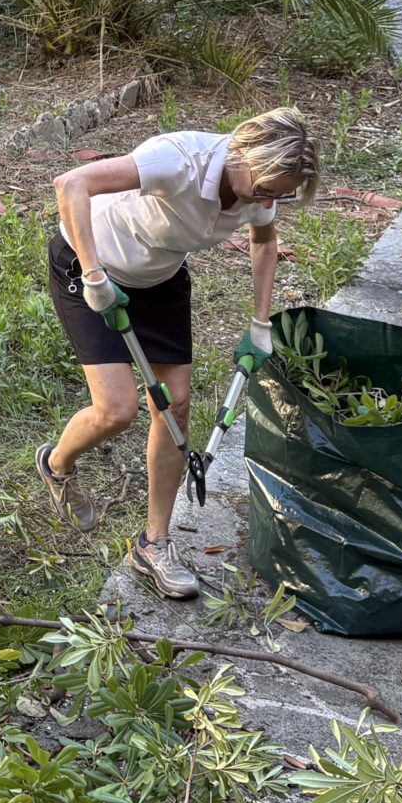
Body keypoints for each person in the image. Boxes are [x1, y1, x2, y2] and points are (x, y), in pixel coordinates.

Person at [36, 109, 317, 598]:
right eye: (266, 188)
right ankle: (57, 463)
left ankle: (153, 544)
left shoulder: (259, 188)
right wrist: (95, 275)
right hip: (89, 266)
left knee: (176, 406)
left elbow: (264, 241)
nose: (269, 201)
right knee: (117, 409)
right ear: (242, 154)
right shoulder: (179, 160)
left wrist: (260, 322)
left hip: (161, 278)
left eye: (280, 194)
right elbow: (71, 184)